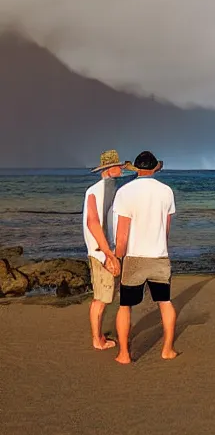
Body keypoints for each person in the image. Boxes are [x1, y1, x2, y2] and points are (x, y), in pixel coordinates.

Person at [113, 150, 178, 364]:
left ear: (137, 168)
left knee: (125, 306)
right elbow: (166, 228)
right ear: (154, 168)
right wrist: (162, 249)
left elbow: (122, 234)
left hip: (135, 256)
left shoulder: (125, 191)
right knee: (165, 302)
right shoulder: (166, 191)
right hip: (159, 255)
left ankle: (124, 354)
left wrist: (116, 257)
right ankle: (167, 349)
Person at [83, 150, 128, 350]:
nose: (121, 169)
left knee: (104, 297)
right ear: (110, 169)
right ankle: (97, 340)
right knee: (101, 299)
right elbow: (92, 223)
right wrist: (109, 255)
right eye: (119, 166)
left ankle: (98, 336)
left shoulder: (110, 186)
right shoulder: (97, 189)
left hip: (103, 251)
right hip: (100, 252)